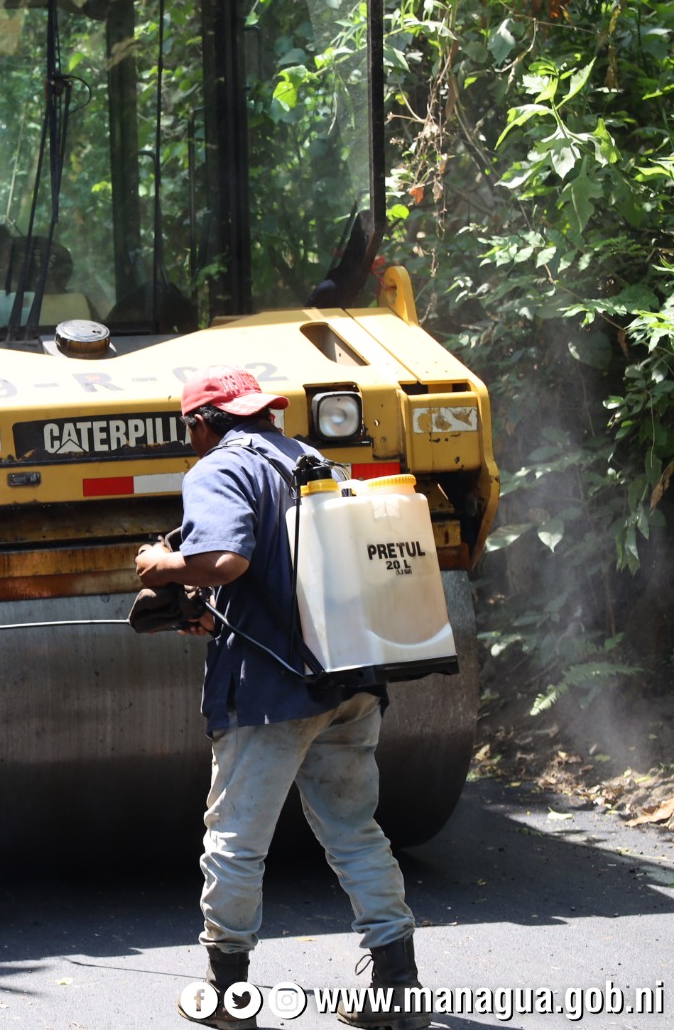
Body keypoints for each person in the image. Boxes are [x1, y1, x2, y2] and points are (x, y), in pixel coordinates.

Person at [134, 365, 428, 1030]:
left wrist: (158, 564)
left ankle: (227, 995)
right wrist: (214, 609)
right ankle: (399, 988)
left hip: (271, 690)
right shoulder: (313, 458)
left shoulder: (217, 468)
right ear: (264, 412)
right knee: (355, 831)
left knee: (236, 842)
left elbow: (226, 559)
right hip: (348, 676)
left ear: (200, 425)